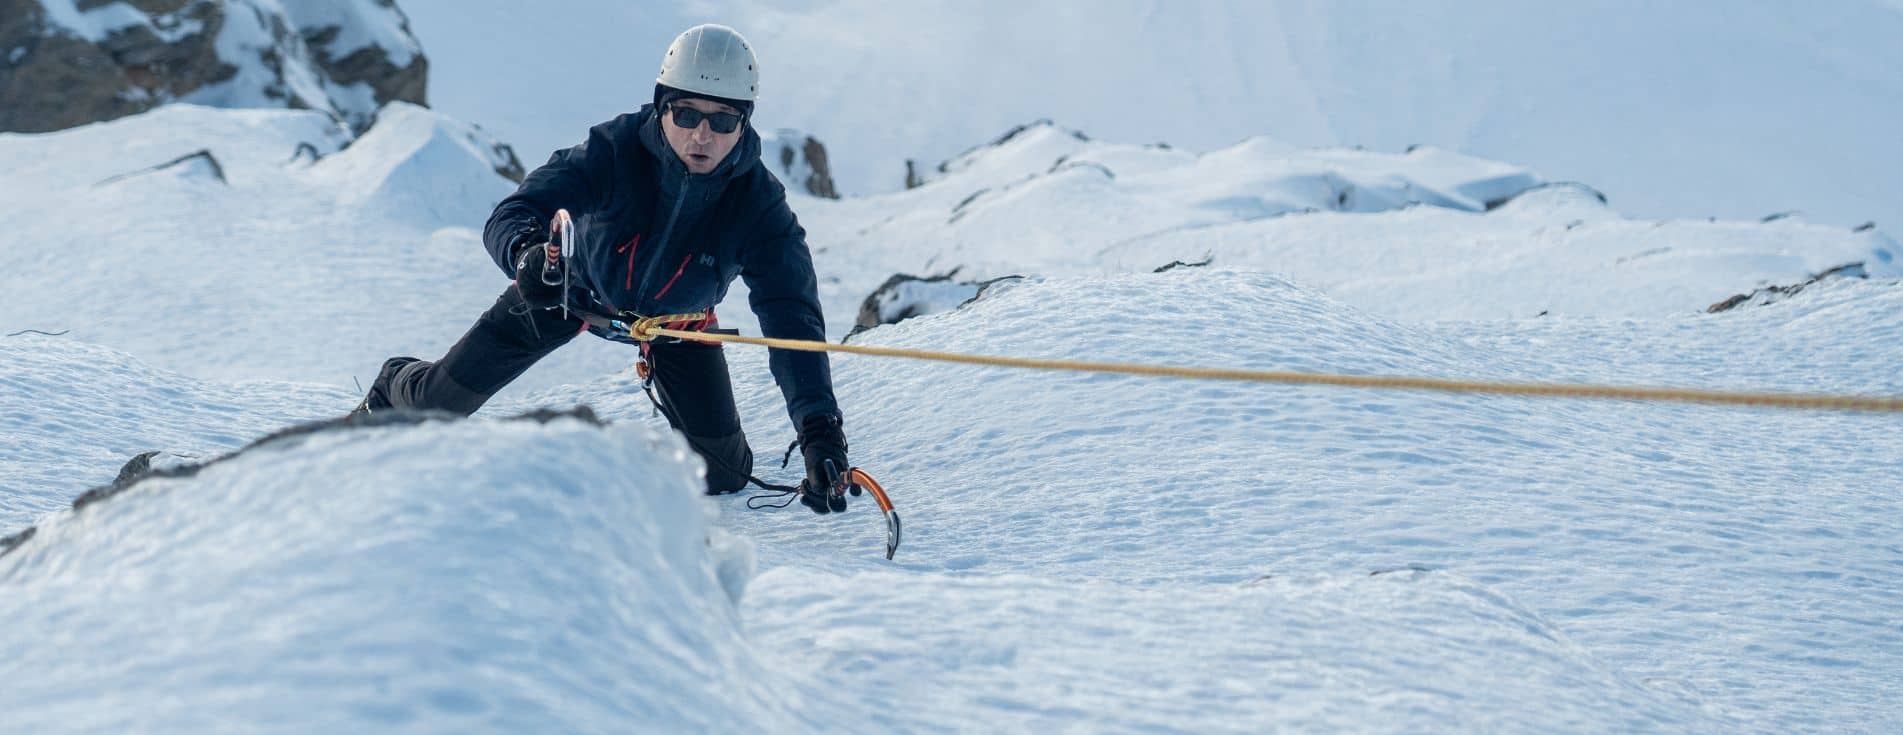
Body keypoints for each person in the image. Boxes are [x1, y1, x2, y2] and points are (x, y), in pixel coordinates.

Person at [353, 24, 851, 514]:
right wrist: (528, 258)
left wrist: (819, 433)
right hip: (564, 293)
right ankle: (395, 379)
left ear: (744, 124)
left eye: (722, 121)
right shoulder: (614, 150)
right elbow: (515, 211)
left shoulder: (760, 206)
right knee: (433, 409)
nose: (702, 135)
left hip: (678, 326)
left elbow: (792, 319)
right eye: (686, 114)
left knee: (722, 476)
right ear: (662, 106)